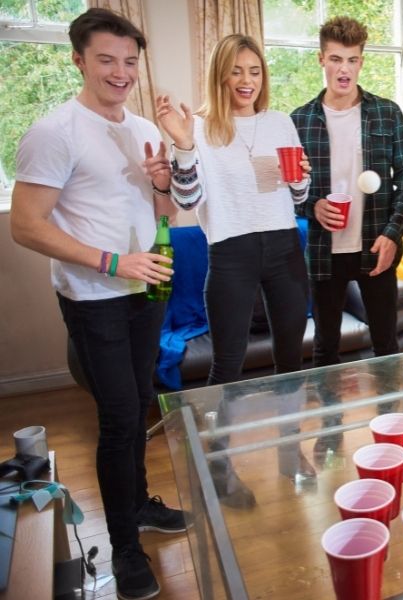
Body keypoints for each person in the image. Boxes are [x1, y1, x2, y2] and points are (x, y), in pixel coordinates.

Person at [9, 8, 186, 599]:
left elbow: (164, 214)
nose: (120, 72)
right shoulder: (54, 132)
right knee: (117, 422)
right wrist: (113, 262)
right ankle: (126, 551)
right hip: (95, 298)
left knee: (139, 405)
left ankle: (137, 504)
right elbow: (27, 227)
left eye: (129, 61)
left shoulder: (140, 129)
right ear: (78, 60)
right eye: (106, 60)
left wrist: (162, 185)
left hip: (146, 290)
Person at [156, 34, 312, 507]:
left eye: (255, 71)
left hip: (284, 247)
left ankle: (290, 451)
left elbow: (299, 197)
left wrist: (301, 178)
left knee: (292, 358)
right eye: (237, 71)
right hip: (230, 251)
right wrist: (183, 147)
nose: (247, 81)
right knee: (228, 367)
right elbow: (185, 201)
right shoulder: (198, 129)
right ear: (221, 74)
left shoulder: (280, 122)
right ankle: (218, 466)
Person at [290, 16, 403, 370]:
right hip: (323, 252)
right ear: (321, 60)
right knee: (324, 350)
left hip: (376, 247)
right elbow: (288, 191)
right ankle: (333, 426)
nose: (343, 70)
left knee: (387, 348)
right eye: (335, 59)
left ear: (361, 61)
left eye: (351, 60)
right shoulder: (299, 121)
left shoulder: (387, 113)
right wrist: (312, 206)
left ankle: (391, 424)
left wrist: (392, 236)